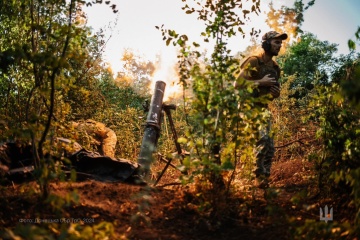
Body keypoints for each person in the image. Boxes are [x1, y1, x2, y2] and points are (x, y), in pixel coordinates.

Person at [235, 31, 288, 188]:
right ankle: (258, 176)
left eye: (280, 43)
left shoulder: (275, 68)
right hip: (247, 106)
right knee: (263, 139)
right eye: (276, 42)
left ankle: (264, 179)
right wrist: (260, 82)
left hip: (262, 107)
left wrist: (275, 94)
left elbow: (269, 94)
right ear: (266, 43)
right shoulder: (254, 62)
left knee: (270, 146)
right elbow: (237, 85)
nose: (279, 45)